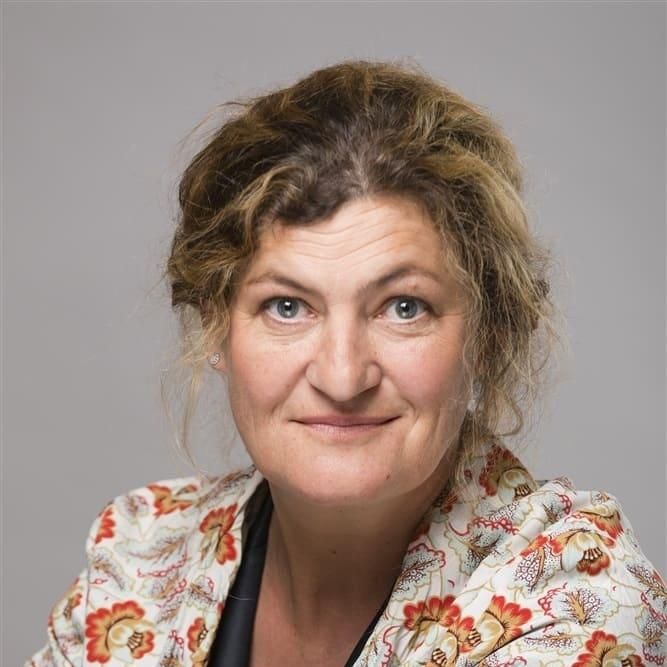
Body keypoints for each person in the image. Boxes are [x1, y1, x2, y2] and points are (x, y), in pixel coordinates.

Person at [28, 59, 665, 667]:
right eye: (286, 306)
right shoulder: (140, 561)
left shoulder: (572, 604)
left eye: (404, 307)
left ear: (488, 335)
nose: (342, 376)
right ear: (215, 328)